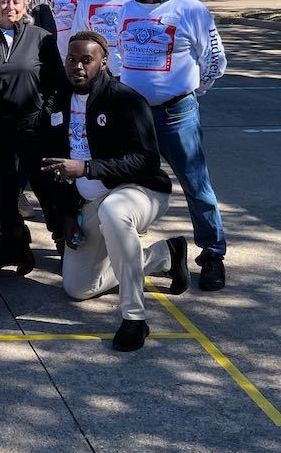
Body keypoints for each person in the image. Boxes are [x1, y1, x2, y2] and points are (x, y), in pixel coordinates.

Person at [43, 31, 189, 353]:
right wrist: (68, 216)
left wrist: (87, 168)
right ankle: (165, 254)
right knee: (78, 288)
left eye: (86, 60)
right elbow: (53, 165)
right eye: (71, 59)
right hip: (89, 200)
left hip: (139, 190)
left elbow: (147, 161)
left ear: (104, 62)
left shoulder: (125, 100)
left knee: (115, 211)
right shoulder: (57, 99)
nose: (77, 66)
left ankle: (134, 317)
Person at [118, 0, 229, 291]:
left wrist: (189, 91)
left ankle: (212, 253)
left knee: (196, 185)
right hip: (134, 116)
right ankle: (124, 246)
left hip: (175, 114)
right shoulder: (127, 9)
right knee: (125, 182)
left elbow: (215, 60)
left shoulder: (191, 9)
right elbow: (119, 55)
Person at [0, 0, 70, 261]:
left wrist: (45, 113)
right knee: (5, 188)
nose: (9, 6)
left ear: (25, 6)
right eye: (3, 1)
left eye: (15, 1)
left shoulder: (41, 38)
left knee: (46, 186)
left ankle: (62, 237)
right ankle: (15, 239)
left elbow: (57, 83)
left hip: (33, 127)